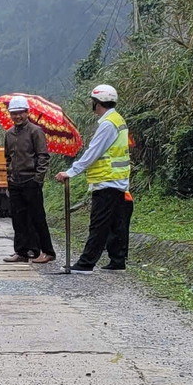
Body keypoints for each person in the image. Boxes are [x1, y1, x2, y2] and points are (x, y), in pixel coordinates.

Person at [54, 84, 133, 273]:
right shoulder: (117, 119)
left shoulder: (107, 124)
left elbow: (93, 153)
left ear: (97, 103)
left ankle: (86, 263)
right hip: (117, 181)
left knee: (98, 224)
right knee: (116, 223)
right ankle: (117, 260)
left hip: (107, 181)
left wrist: (71, 172)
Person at [1, 96, 56, 264]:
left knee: (37, 217)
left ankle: (47, 251)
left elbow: (43, 157)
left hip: (31, 181)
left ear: (27, 113)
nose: (17, 116)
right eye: (14, 113)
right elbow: (7, 158)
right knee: (18, 219)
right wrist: (9, 178)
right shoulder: (9, 134)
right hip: (15, 182)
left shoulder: (35, 131)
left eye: (20, 113)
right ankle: (22, 252)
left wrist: (38, 179)